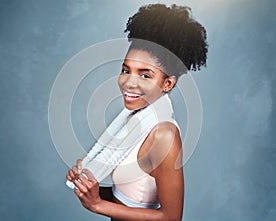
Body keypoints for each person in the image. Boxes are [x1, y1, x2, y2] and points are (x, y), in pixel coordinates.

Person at [66, 4, 208, 221]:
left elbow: (171, 218)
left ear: (167, 83)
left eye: (145, 75)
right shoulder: (134, 122)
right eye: (126, 70)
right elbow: (128, 197)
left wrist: (97, 205)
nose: (129, 83)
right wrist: (88, 188)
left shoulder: (164, 136)